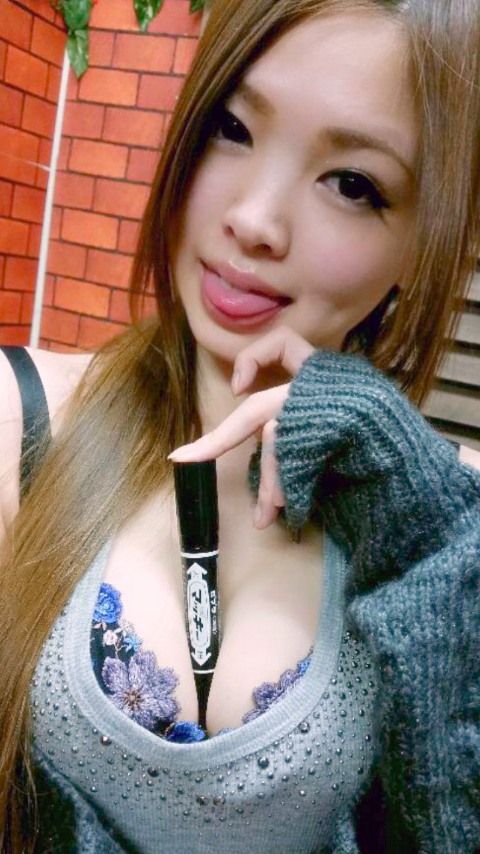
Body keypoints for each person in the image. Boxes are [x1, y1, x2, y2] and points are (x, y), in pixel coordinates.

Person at [0, 0, 479, 850]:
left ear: (424, 243)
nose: (255, 220)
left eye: (353, 184)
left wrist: (426, 541)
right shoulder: (19, 421)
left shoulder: (447, 526)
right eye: (232, 127)